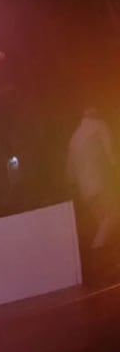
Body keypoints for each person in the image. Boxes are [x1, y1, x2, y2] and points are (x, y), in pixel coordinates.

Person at [67, 106, 117, 256]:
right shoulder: (100, 126)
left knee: (104, 223)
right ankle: (96, 252)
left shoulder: (74, 138)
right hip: (101, 182)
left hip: (85, 190)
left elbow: (70, 172)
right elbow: (111, 152)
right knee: (113, 215)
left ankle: (108, 258)